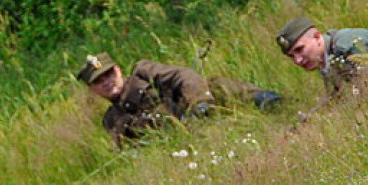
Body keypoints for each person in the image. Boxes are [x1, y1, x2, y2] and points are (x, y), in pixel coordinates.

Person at [77, 52, 282, 145]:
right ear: (93, 90)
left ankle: (267, 101)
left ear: (118, 70)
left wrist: (200, 102)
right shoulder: (112, 120)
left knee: (216, 85)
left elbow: (183, 76)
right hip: (181, 140)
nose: (106, 82)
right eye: (98, 81)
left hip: (197, 110)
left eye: (109, 75)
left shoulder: (143, 72)